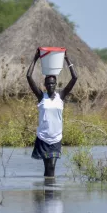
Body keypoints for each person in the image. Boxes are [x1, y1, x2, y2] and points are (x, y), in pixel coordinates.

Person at [26, 48, 78, 178]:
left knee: (52, 166)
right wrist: (35, 58)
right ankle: (47, 193)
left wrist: (66, 59)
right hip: (43, 137)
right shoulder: (41, 96)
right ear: (44, 84)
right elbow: (28, 76)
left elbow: (75, 77)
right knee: (47, 167)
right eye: (48, 84)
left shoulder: (61, 96)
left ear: (56, 85)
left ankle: (50, 194)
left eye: (52, 84)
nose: (50, 86)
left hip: (56, 138)